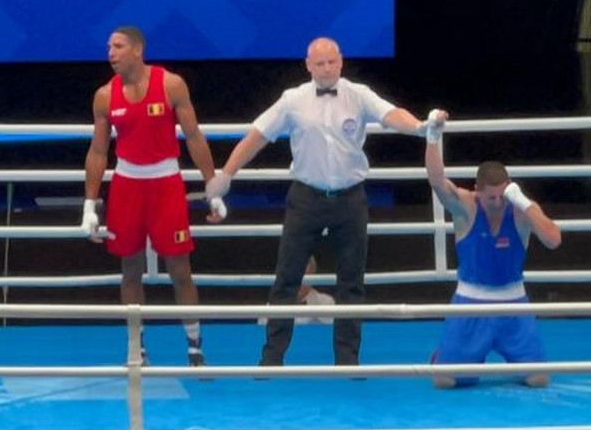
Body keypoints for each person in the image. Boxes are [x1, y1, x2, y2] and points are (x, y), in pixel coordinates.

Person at [207, 36, 431, 366]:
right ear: (308, 65)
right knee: (286, 278)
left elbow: (391, 114)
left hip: (350, 198)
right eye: (320, 63)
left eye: (332, 62)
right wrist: (225, 175)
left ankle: (347, 360)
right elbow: (257, 135)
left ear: (340, 61)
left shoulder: (359, 93)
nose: (327, 69)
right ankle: (271, 358)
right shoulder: (292, 99)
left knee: (352, 281)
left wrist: (420, 127)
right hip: (305, 197)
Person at [82, 26, 227, 366]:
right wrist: (90, 203)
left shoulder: (171, 84)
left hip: (166, 185)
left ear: (137, 49)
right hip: (127, 186)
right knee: (129, 269)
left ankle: (194, 346)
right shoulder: (105, 95)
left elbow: (193, 137)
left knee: (180, 269)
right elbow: (98, 151)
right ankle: (137, 347)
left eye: (117, 46)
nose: (111, 53)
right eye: (108, 46)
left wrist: (213, 186)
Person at [424, 109, 562, 388]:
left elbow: (553, 239)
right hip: (471, 304)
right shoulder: (466, 207)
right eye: (491, 197)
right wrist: (433, 136)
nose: (498, 203)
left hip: (514, 305)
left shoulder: (521, 210)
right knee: (445, 381)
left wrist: (524, 202)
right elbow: (437, 181)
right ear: (478, 190)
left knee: (539, 379)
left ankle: (495, 355)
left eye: (503, 196)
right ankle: (446, 356)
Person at [258, 256, 335, 325]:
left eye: (303, 277)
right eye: (293, 276)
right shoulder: (271, 307)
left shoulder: (327, 303)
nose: (298, 282)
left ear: (313, 275)